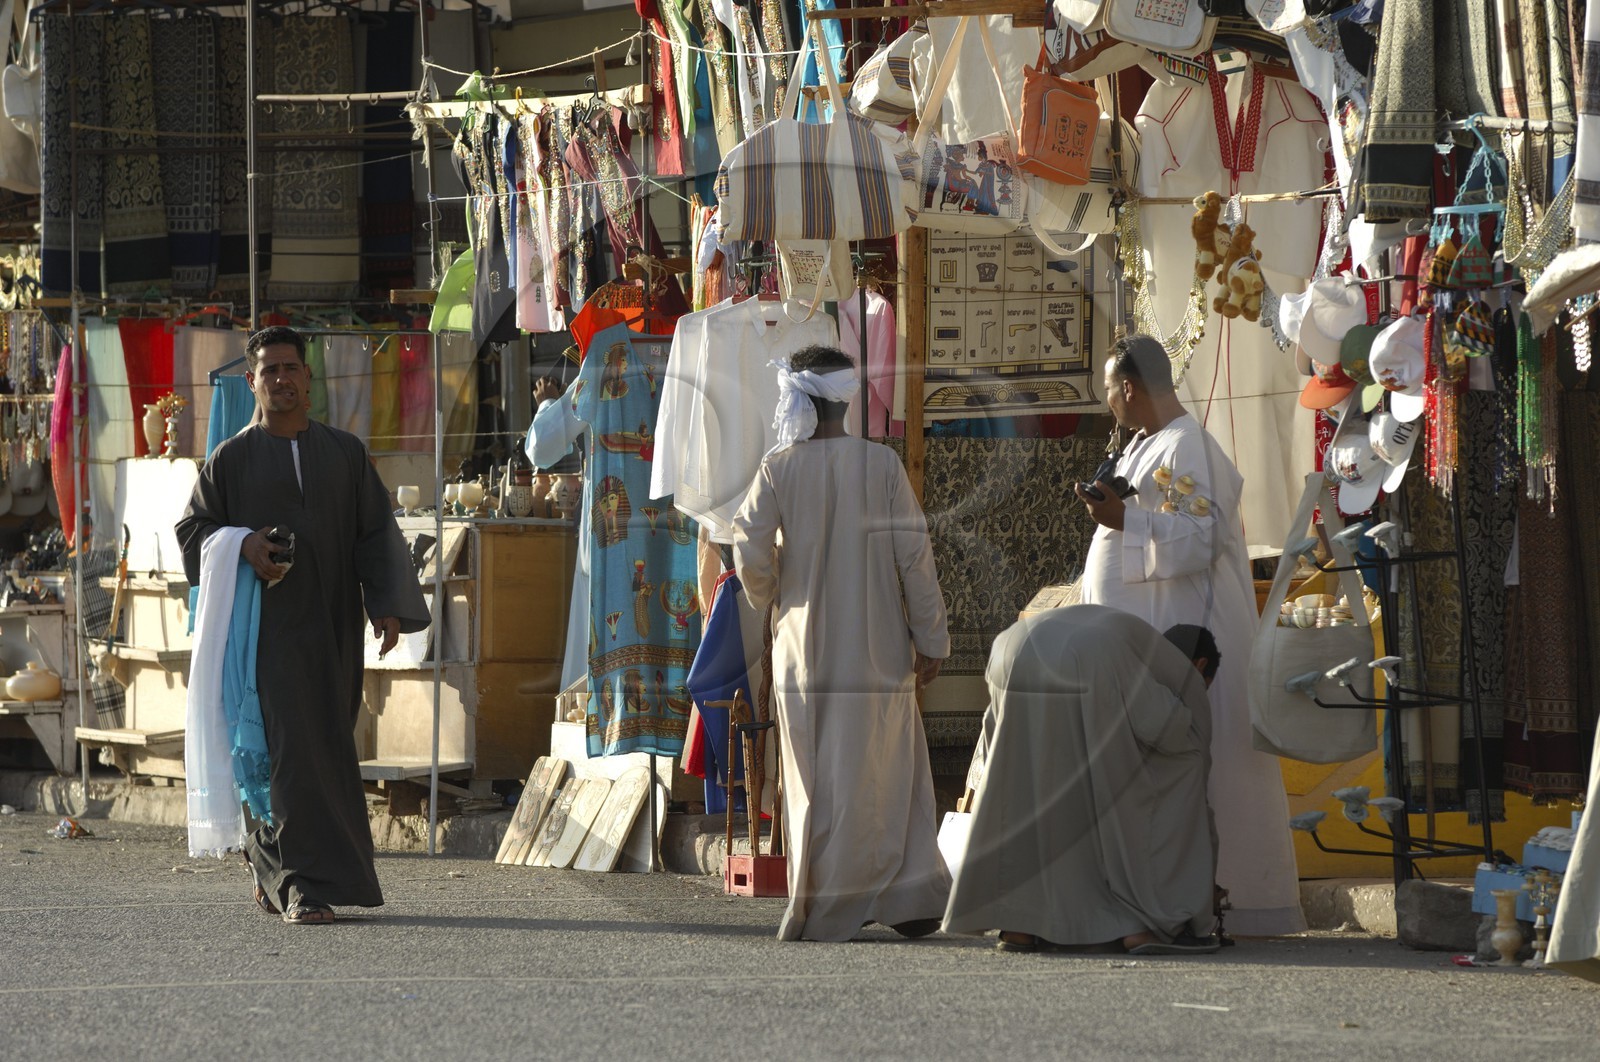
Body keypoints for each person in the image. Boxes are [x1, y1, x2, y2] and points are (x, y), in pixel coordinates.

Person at [176, 326, 429, 925]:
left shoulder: (343, 453)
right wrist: (242, 546)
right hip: (263, 636)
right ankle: (300, 886)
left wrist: (386, 604)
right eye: (270, 371)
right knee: (282, 753)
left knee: (328, 746)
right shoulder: (231, 459)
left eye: (292, 368)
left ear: (308, 379)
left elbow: (374, 531)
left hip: (334, 630)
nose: (282, 379)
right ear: (252, 382)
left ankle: (273, 864)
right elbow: (193, 533)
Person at [1075, 333, 1305, 936]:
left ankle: (1234, 900)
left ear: (1128, 387)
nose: (1107, 403)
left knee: (1211, 762)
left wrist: (1126, 518)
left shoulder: (1191, 446)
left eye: (1108, 389)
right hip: (1150, 637)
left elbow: (1199, 538)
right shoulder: (1145, 445)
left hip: (1192, 641)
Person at [731, 344, 951, 942]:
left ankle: (828, 903)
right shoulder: (880, 465)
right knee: (887, 765)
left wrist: (776, 587)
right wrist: (930, 636)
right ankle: (908, 894)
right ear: (848, 395)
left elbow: (745, 547)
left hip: (803, 648)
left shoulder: (779, 468)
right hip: (878, 643)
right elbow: (915, 555)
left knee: (815, 777)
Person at [943, 607, 1223, 954]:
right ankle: (1145, 925)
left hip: (1010, 647)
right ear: (1200, 667)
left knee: (1027, 788)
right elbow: (1162, 726)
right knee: (1178, 770)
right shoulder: (1167, 668)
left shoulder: (1130, 636)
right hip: (1085, 657)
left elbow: (992, 736)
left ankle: (1020, 925)